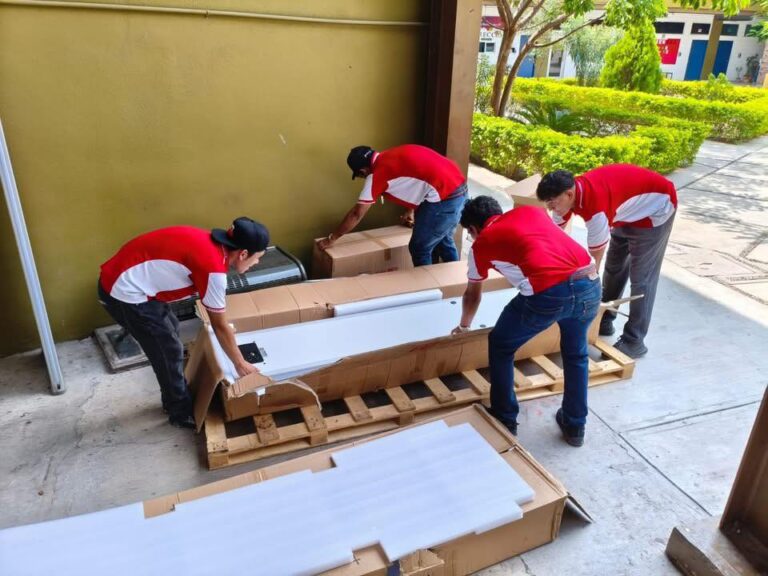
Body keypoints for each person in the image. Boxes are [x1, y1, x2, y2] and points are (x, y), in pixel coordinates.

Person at [452, 197, 601, 447]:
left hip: (550, 294)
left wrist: (464, 326)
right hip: (590, 282)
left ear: (474, 229)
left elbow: (472, 294)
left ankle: (505, 417)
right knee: (576, 354)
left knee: (501, 344)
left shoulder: (481, 245)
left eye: (470, 233)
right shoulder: (532, 211)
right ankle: (575, 425)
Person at [98, 217, 269, 429]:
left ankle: (175, 389)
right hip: (123, 293)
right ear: (243, 254)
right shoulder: (214, 270)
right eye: (257, 258)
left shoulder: (209, 242)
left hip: (124, 280)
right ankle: (178, 410)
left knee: (170, 327)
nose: (256, 263)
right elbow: (219, 325)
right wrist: (240, 363)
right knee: (168, 350)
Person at [536, 164, 677, 358]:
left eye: (552, 202)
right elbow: (553, 238)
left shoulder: (596, 211)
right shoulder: (567, 197)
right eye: (547, 203)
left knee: (642, 279)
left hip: (655, 210)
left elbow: (593, 267)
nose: (550, 207)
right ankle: (603, 318)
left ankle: (634, 341)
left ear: (569, 194)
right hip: (625, 212)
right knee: (614, 268)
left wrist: (581, 297)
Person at [317, 144, 467, 266]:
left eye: (361, 176)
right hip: (459, 188)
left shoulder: (376, 175)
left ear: (363, 171)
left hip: (445, 199)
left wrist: (331, 238)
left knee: (419, 248)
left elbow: (356, 214)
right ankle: (454, 280)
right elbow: (419, 178)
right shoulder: (392, 154)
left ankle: (428, 287)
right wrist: (410, 210)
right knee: (443, 239)